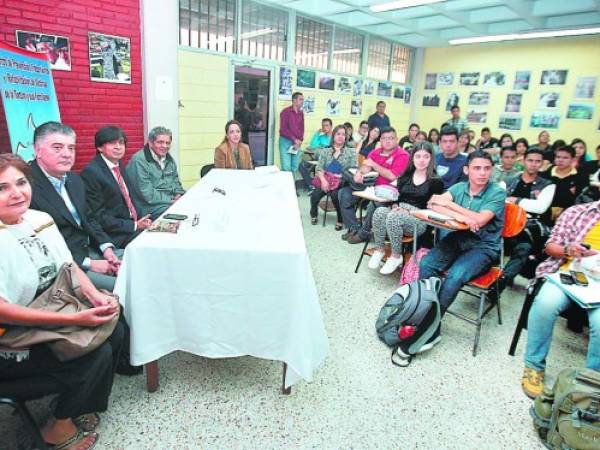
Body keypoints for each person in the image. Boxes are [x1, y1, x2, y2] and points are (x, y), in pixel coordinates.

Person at [0, 153, 124, 450]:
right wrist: (73, 321)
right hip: (10, 336)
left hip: (52, 310)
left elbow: (67, 266)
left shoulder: (39, 219)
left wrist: (95, 299)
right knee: (92, 355)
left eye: (21, 182)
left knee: (115, 328)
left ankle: (77, 404)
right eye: (2, 188)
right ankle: (57, 427)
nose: (17, 193)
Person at [415, 151, 506, 351]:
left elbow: (481, 220)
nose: (482, 173)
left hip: (484, 247)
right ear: (466, 170)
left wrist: (450, 205)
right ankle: (424, 314)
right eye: (477, 168)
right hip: (460, 238)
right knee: (427, 263)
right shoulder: (459, 187)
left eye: (487, 168)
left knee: (455, 275)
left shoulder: (497, 192)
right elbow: (433, 203)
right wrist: (462, 216)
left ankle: (430, 324)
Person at [521, 200, 600, 398]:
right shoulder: (579, 212)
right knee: (546, 303)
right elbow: (550, 247)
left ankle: (590, 382)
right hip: (569, 273)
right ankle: (534, 366)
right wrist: (568, 250)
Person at [29, 122, 121, 292]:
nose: (66, 154)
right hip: (64, 266)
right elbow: (40, 245)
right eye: (57, 148)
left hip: (93, 250)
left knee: (139, 265)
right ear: (37, 150)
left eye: (71, 148)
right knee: (126, 287)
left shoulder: (74, 179)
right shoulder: (26, 188)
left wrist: (106, 248)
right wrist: (89, 263)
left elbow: (89, 218)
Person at [368, 141, 443, 274]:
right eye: (418, 156)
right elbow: (397, 198)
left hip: (419, 220)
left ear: (431, 158)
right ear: (412, 158)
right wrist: (395, 206)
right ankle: (379, 250)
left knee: (394, 216)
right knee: (379, 211)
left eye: (426, 156)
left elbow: (433, 209)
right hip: (398, 212)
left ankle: (396, 256)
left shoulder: (436, 181)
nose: (421, 160)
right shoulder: (405, 176)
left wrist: (408, 212)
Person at [81, 126, 152, 248]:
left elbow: (130, 198)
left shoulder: (118, 164)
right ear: (99, 147)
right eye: (111, 143)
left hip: (131, 223)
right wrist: (134, 226)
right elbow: (98, 217)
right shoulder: (92, 172)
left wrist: (142, 219)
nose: (118, 147)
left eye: (121, 143)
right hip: (113, 234)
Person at [340, 127, 410, 244]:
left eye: (391, 138)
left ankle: (363, 233)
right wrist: (360, 173)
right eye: (384, 138)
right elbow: (366, 166)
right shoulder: (375, 152)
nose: (387, 141)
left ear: (396, 140)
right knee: (343, 193)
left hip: (390, 191)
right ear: (380, 140)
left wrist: (374, 165)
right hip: (370, 186)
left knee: (375, 203)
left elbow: (392, 176)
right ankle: (355, 228)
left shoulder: (402, 155)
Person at [500, 148, 555, 292]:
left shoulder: (548, 184)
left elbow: (540, 208)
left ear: (542, 164)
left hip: (530, 227)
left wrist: (515, 200)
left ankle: (502, 282)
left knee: (523, 247)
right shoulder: (509, 180)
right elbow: (499, 201)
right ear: (523, 161)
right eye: (530, 160)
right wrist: (523, 203)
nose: (533, 164)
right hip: (506, 222)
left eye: (538, 161)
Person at [126, 126, 186, 220]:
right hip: (146, 206)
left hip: (168, 202)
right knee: (178, 212)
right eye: (160, 142)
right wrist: (171, 201)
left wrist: (179, 194)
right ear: (150, 143)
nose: (165, 146)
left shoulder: (169, 160)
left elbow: (176, 182)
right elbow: (147, 195)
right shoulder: (139, 161)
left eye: (168, 143)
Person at [309, 125, 356, 229]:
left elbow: (354, 170)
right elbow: (319, 168)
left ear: (346, 137)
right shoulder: (326, 151)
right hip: (325, 179)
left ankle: (340, 219)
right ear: (333, 136)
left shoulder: (351, 152)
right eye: (338, 134)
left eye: (343, 134)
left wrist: (342, 175)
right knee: (315, 195)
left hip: (341, 181)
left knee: (335, 196)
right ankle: (313, 213)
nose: (340, 136)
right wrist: (323, 180)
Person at [541, 145, 588, 222]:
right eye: (558, 157)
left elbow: (582, 200)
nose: (560, 160)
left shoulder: (581, 176)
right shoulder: (545, 175)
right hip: (545, 214)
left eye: (565, 158)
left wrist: (565, 212)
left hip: (570, 216)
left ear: (572, 159)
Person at [279, 91, 304, 172]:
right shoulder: (285, 112)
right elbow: (283, 129)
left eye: (302, 100)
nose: (302, 101)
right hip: (286, 141)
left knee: (294, 167)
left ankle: (292, 184)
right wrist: (294, 140)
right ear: (294, 100)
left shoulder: (301, 113)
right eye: (300, 99)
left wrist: (300, 140)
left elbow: (302, 128)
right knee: (286, 167)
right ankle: (285, 184)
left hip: (297, 143)